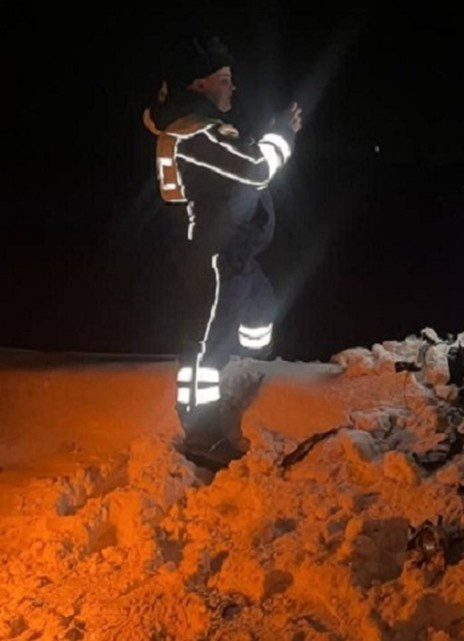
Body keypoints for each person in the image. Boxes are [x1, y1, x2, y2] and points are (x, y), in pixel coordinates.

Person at [143, 35, 302, 469]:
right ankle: (201, 434)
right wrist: (282, 134)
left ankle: (256, 372)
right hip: (213, 257)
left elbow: (237, 160)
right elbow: (255, 168)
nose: (232, 88)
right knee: (204, 348)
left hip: (236, 253)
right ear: (198, 85)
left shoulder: (206, 130)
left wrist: (268, 134)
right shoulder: (193, 134)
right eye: (224, 79)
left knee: (261, 315)